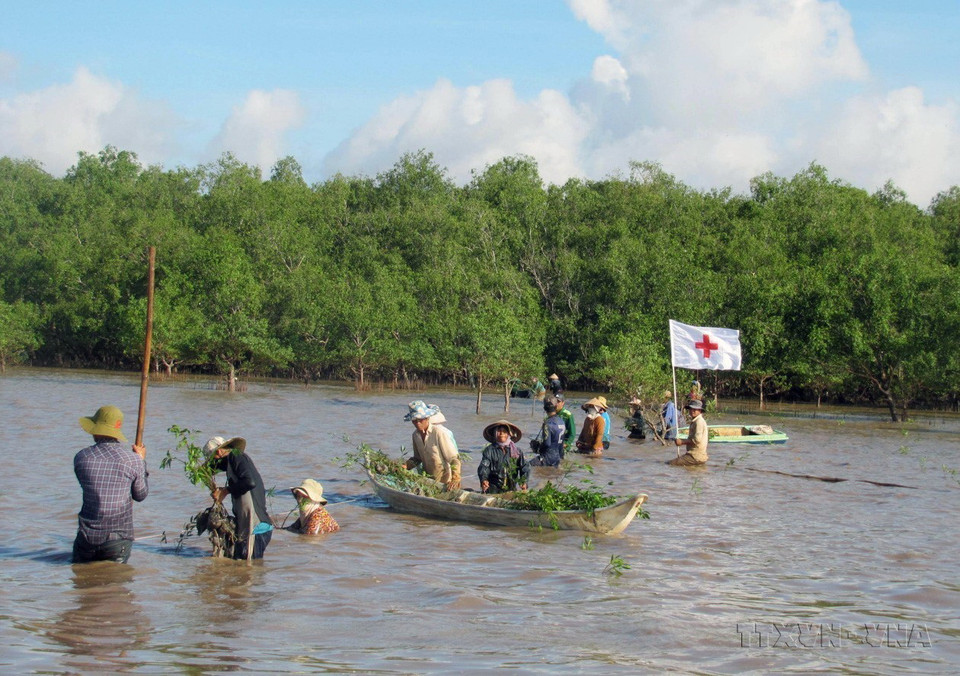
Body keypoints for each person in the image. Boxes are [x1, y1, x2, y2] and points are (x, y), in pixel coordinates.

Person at [73, 405, 149, 564]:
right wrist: (141, 462)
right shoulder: (133, 460)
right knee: (116, 587)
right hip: (118, 538)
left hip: (87, 537)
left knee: (81, 584)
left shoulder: (81, 457)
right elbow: (140, 495)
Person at [206, 436, 274, 560]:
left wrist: (225, 491)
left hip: (255, 528)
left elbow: (249, 482)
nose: (215, 464)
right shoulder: (234, 462)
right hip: (251, 529)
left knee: (250, 571)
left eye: (213, 459)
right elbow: (212, 469)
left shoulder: (237, 457)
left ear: (220, 452)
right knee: (244, 570)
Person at [403, 400, 462, 490]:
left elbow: (454, 459)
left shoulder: (438, 432)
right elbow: (417, 459)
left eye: (420, 419)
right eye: (414, 420)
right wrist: (406, 466)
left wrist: (455, 479)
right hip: (429, 482)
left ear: (427, 418)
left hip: (446, 483)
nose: (417, 423)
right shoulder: (415, 435)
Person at [478, 420, 531, 493]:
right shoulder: (489, 450)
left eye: (504, 431)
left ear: (509, 434)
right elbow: (484, 467)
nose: (501, 433)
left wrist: (523, 481)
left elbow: (525, 467)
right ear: (495, 434)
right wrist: (484, 479)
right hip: (493, 488)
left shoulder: (517, 451)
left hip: (511, 487)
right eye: (499, 431)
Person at [669, 400, 709, 466]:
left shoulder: (699, 422)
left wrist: (682, 442)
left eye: (695, 409)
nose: (692, 411)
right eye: (691, 409)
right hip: (695, 455)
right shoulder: (695, 421)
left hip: (695, 456)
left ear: (700, 411)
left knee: (670, 464)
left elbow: (697, 440)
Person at [530, 397, 565, 467]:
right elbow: (561, 444)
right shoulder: (561, 421)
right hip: (557, 457)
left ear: (545, 408)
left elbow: (547, 444)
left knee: (528, 465)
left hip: (547, 457)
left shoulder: (547, 424)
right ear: (556, 407)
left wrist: (538, 448)